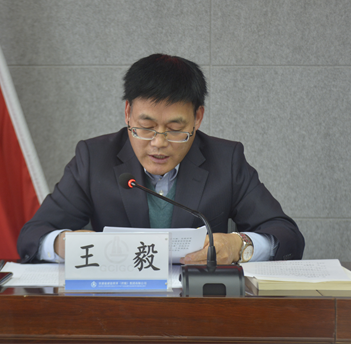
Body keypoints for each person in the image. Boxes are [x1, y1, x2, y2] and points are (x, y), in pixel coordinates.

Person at [17, 54, 304, 264]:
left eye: (175, 129)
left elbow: (287, 236)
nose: (159, 143)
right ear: (128, 113)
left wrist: (239, 245)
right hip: (117, 306)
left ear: (197, 118)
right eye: (146, 127)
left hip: (198, 308)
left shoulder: (226, 160)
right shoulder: (94, 159)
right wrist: (64, 244)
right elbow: (32, 236)